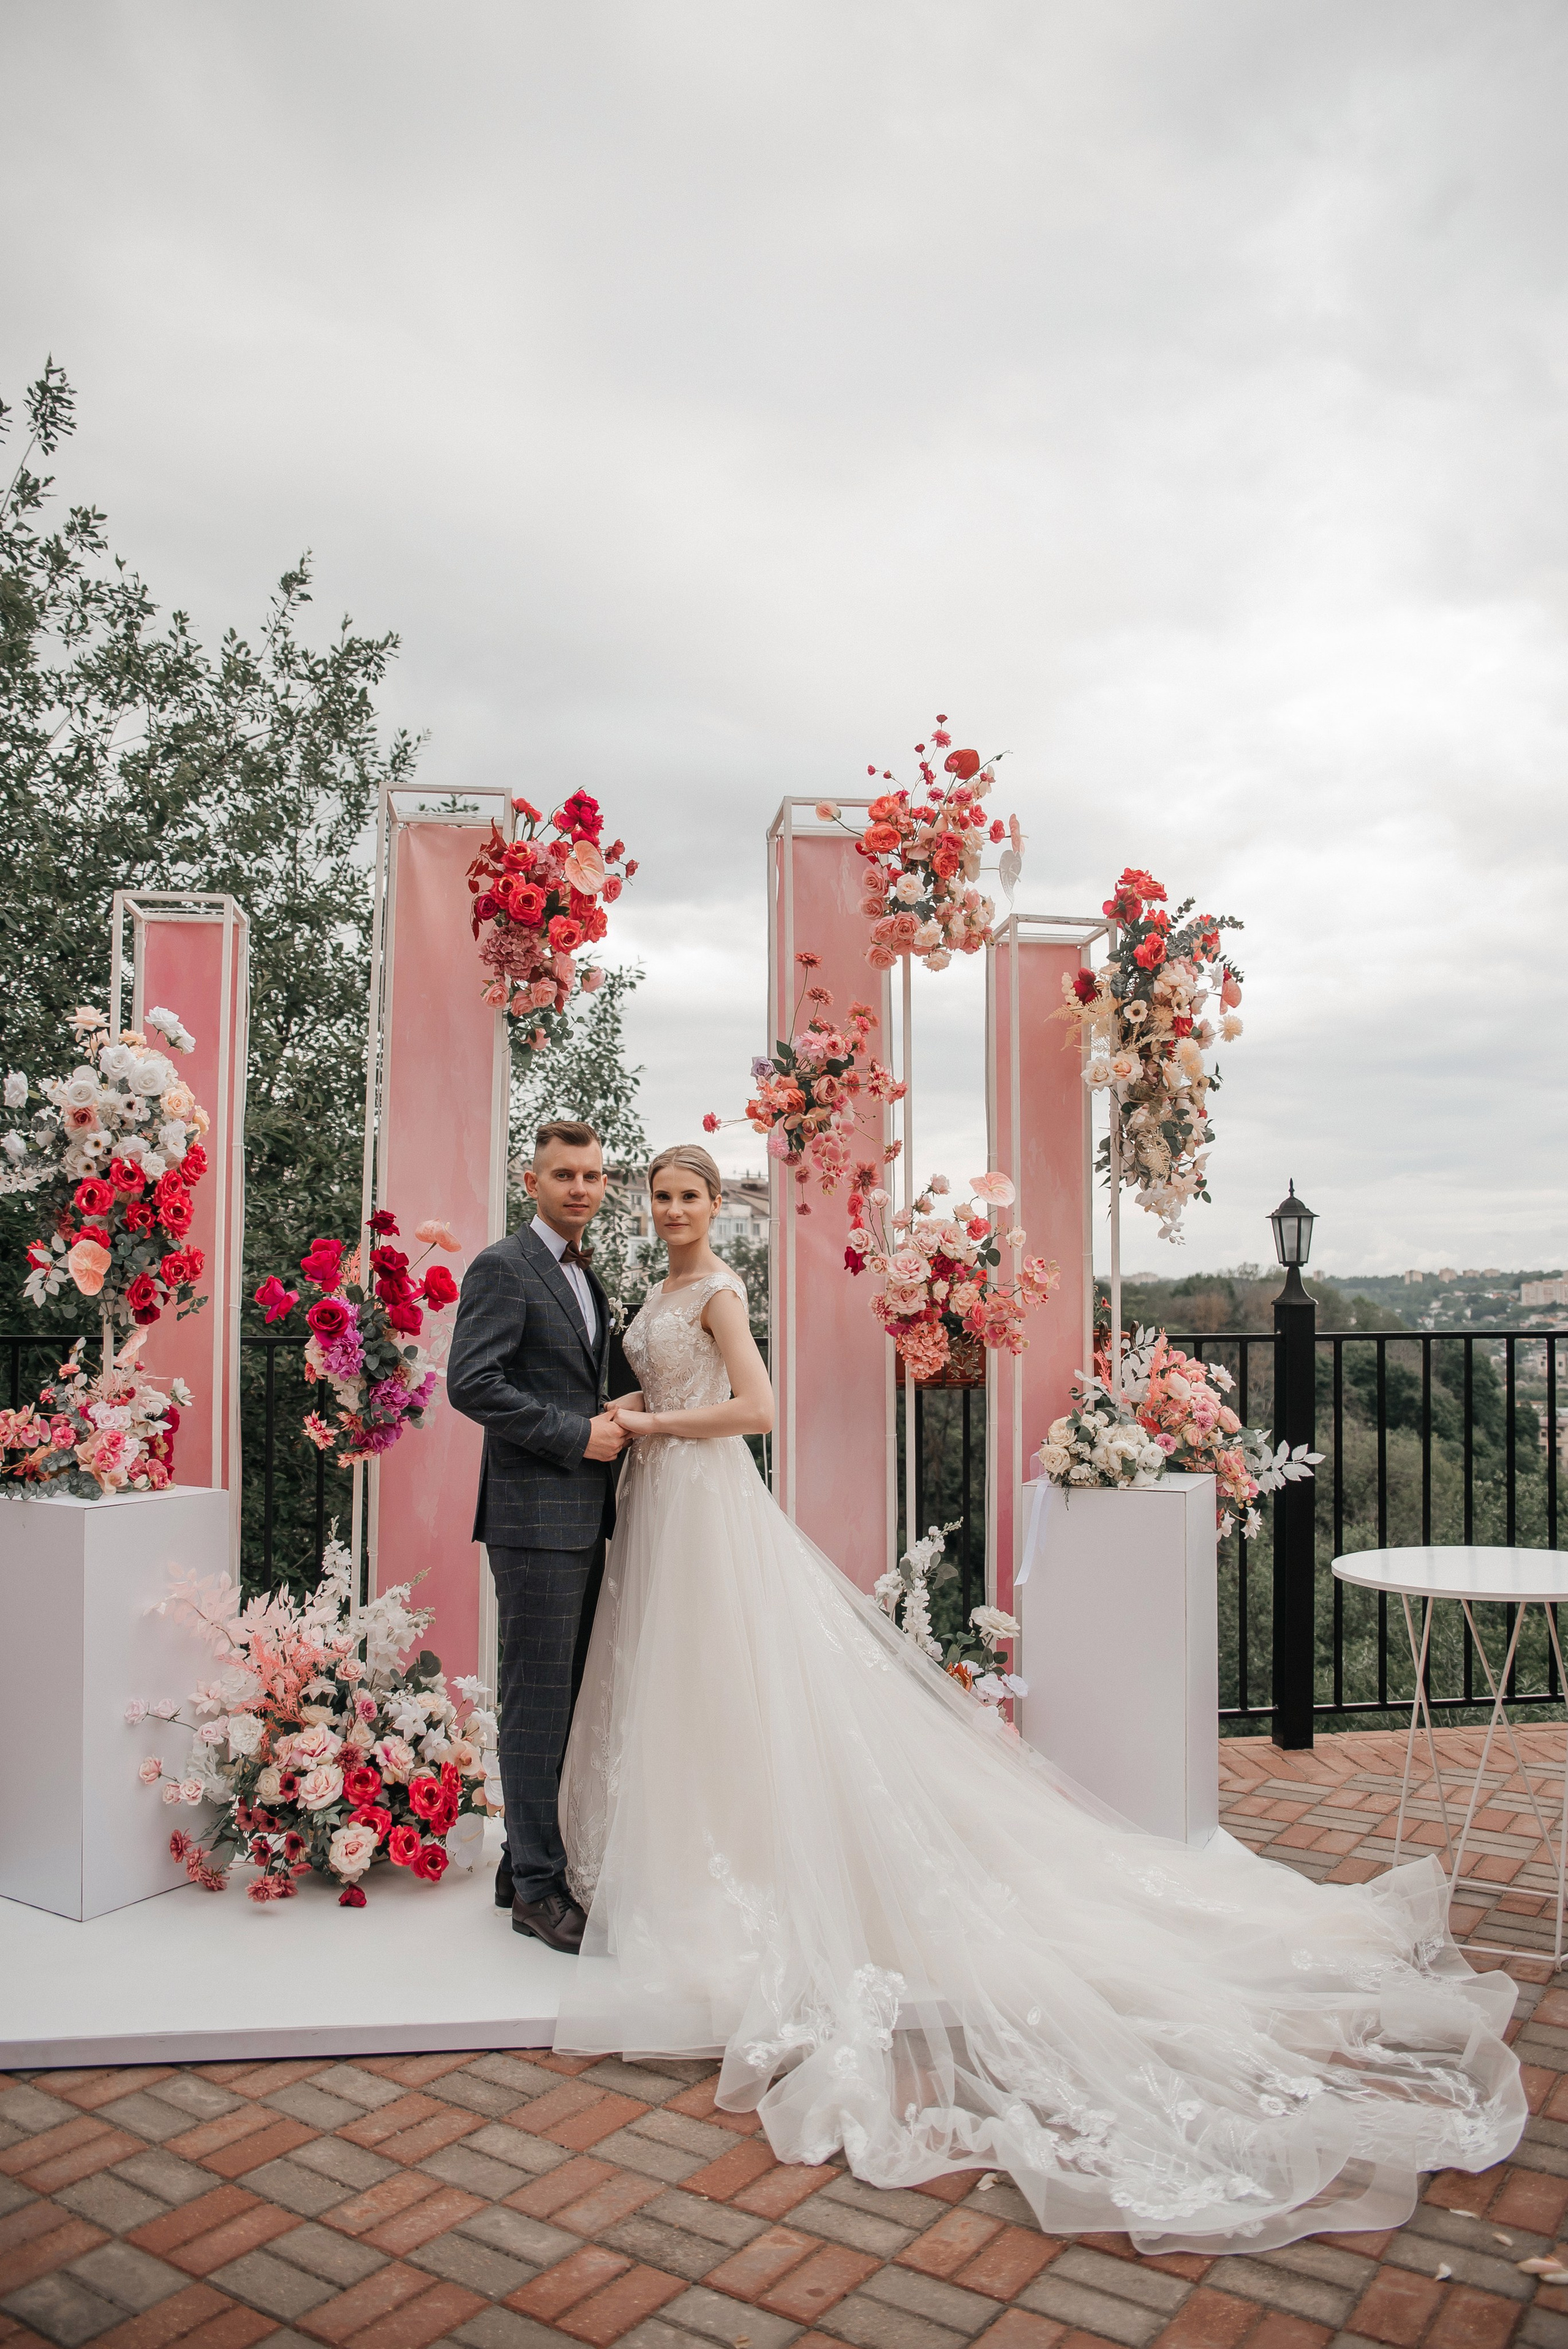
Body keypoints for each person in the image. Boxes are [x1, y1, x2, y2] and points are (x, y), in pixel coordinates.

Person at [553, 1141, 1525, 2255]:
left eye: (691, 1195)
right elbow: (673, 1380)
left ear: (716, 1207)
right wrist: (635, 1408)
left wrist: (653, 1428)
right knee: (691, 1681)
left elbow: (758, 1409)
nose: (675, 1210)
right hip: (660, 1494)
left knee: (730, 1668)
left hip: (702, 1491)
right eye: (662, 1196)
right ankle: (696, 1843)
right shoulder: (658, 1290)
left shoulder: (720, 1288)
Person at [447, 1118, 632, 1955]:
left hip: (585, 1515)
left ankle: (519, 1862)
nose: (582, 1189)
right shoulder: (503, 1265)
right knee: (535, 1702)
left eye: (593, 1176)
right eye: (565, 1175)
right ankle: (536, 1891)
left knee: (561, 1701)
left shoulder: (585, 1273)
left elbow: (591, 1378)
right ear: (533, 1181)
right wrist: (574, 1435)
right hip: (533, 1519)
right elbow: (471, 1382)